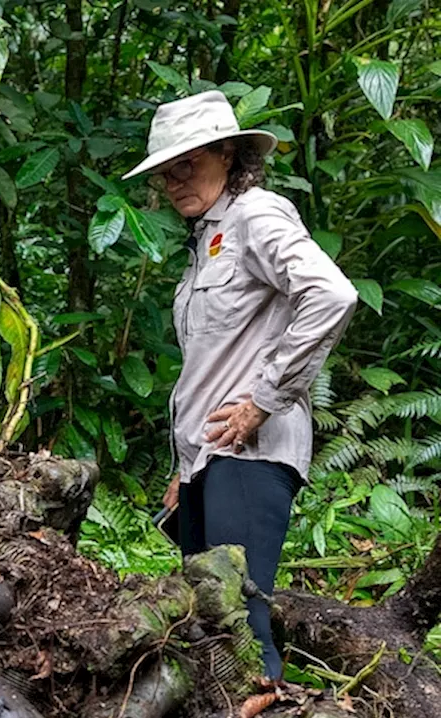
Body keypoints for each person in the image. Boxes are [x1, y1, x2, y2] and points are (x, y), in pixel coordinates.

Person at [125, 90, 358, 679]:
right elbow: (213, 363)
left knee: (241, 626)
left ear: (228, 155)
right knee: (207, 627)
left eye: (188, 165)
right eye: (165, 172)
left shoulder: (256, 214)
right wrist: (186, 469)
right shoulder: (206, 239)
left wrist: (264, 400)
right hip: (211, 459)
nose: (175, 182)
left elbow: (330, 294)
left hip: (252, 456)